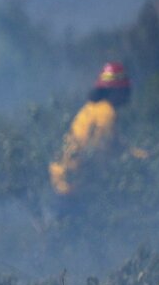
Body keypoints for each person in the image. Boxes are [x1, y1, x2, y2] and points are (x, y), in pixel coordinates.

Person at [48, 61, 140, 195]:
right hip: (73, 186)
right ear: (115, 91)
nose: (126, 94)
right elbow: (99, 152)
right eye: (124, 90)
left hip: (59, 177)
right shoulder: (106, 113)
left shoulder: (91, 108)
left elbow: (118, 145)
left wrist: (140, 155)